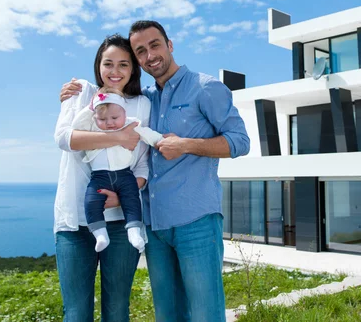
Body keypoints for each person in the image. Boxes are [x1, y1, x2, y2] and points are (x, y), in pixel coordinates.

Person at [61, 21, 250, 322]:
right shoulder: (145, 100)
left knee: (205, 313)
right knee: (168, 315)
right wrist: (78, 89)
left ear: (169, 44)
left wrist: (187, 144)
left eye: (155, 45)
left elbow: (240, 142)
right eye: (140, 51)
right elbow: (107, 101)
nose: (150, 55)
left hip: (196, 221)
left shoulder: (206, 87)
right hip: (155, 227)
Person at [54, 34, 150, 322]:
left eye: (124, 64)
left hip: (121, 222)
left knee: (117, 309)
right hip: (73, 221)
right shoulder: (82, 92)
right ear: (98, 65)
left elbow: (143, 164)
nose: (115, 71)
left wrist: (124, 196)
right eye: (108, 63)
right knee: (77, 312)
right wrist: (117, 137)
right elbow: (64, 138)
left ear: (133, 69)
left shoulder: (142, 105)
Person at [72, 87, 163, 253]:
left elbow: (147, 134)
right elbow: (75, 125)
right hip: (99, 177)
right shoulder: (92, 128)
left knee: (132, 200)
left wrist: (161, 141)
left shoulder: (131, 124)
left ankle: (134, 232)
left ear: (124, 113)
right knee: (91, 202)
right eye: (103, 119)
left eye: (115, 117)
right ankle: (100, 235)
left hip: (125, 174)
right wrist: (91, 106)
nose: (109, 122)